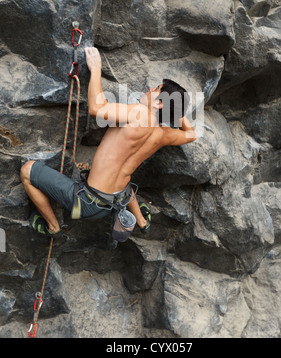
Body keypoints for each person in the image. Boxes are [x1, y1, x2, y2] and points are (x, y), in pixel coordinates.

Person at [20, 47, 197, 242]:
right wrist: (176, 110)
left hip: (84, 205)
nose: (149, 90)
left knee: (27, 171)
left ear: (160, 103)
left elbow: (97, 108)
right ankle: (142, 222)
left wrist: (95, 69)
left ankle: (53, 228)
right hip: (114, 201)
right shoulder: (163, 134)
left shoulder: (139, 113)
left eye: (155, 90)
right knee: (123, 174)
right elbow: (191, 134)